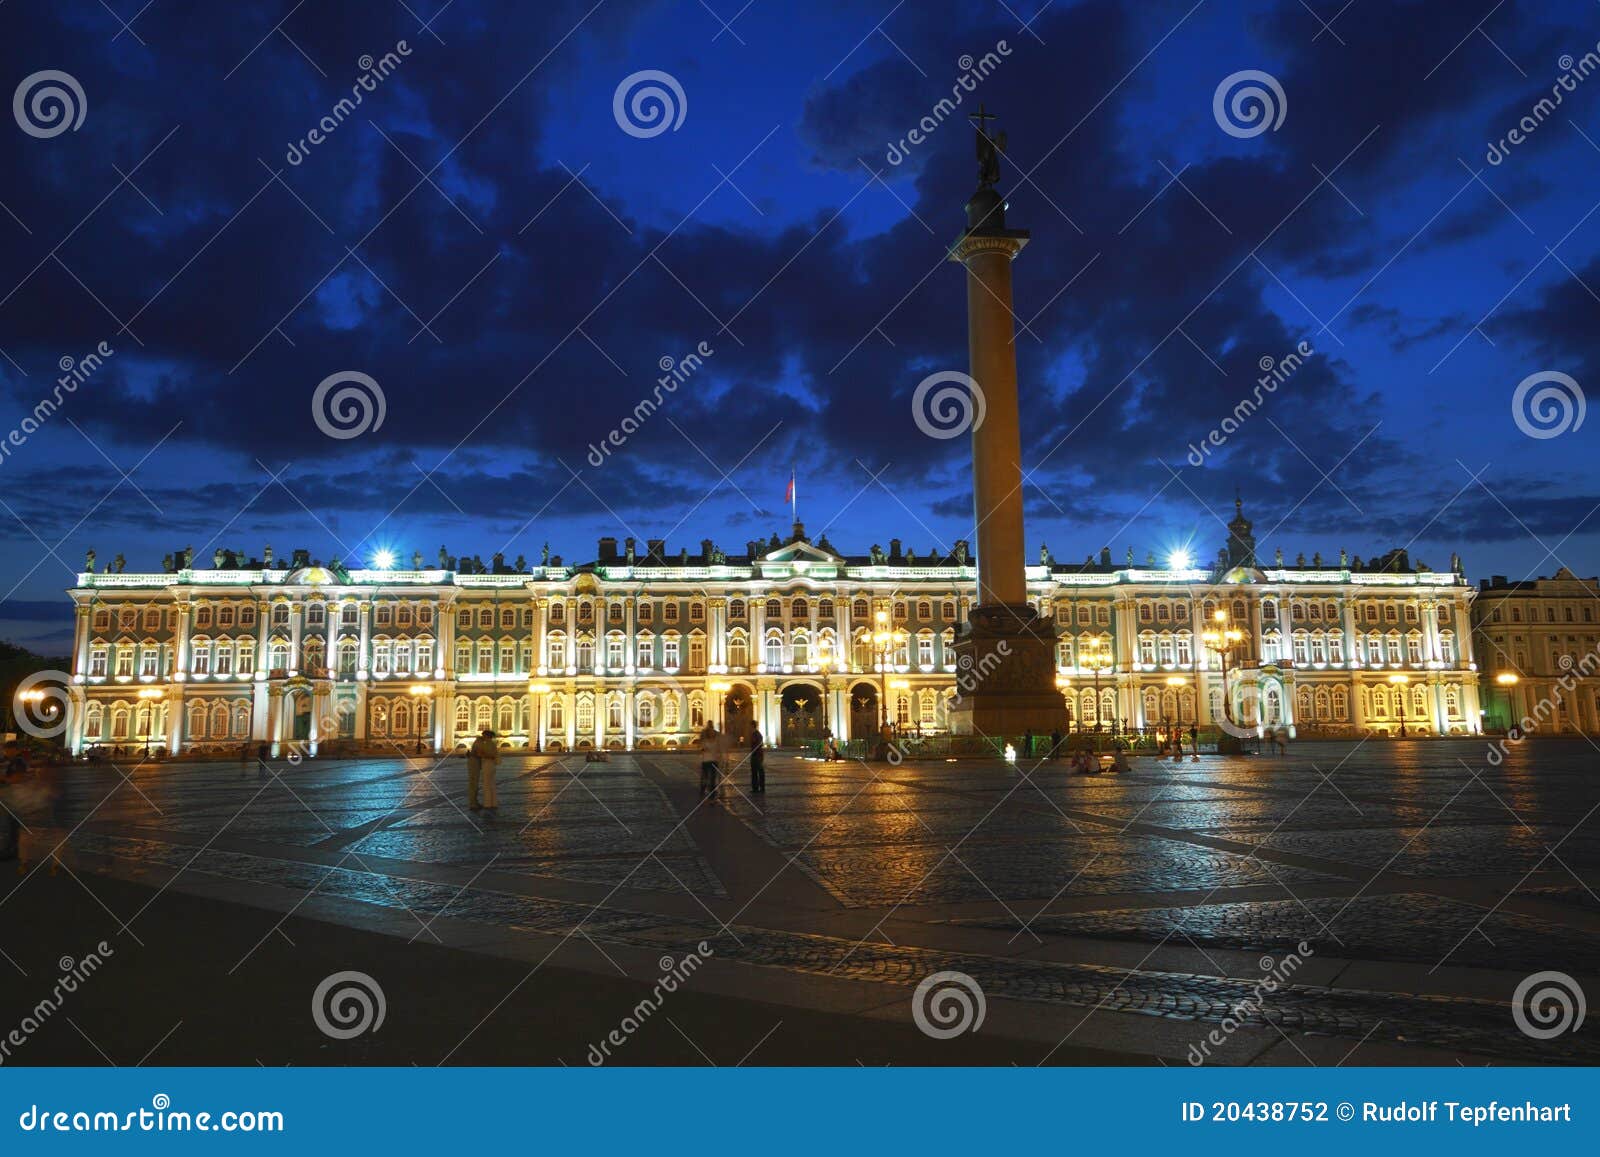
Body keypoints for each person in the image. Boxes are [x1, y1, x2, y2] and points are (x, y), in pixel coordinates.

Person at [468, 729, 499, 812]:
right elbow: (478, 753)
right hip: (481, 764)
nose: (483, 736)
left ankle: (486, 803)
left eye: (485, 735)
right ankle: (491, 803)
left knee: (485, 784)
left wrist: (482, 755)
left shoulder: (485, 743)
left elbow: (480, 753)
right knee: (490, 783)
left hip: (484, 764)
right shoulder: (487, 743)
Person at [698, 724, 719, 802]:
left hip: (714, 760)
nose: (712, 733)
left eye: (712, 732)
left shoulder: (716, 741)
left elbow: (718, 750)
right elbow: (701, 749)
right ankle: (703, 789)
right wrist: (705, 749)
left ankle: (712, 794)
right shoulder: (705, 741)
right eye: (710, 732)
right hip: (706, 761)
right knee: (705, 777)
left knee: (713, 779)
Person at [749, 724, 766, 792]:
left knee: (757, 771)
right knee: (756, 771)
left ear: (752, 726)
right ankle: (758, 787)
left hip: (756, 755)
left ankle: (758, 788)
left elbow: (757, 744)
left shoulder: (756, 734)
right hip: (757, 754)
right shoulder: (757, 734)